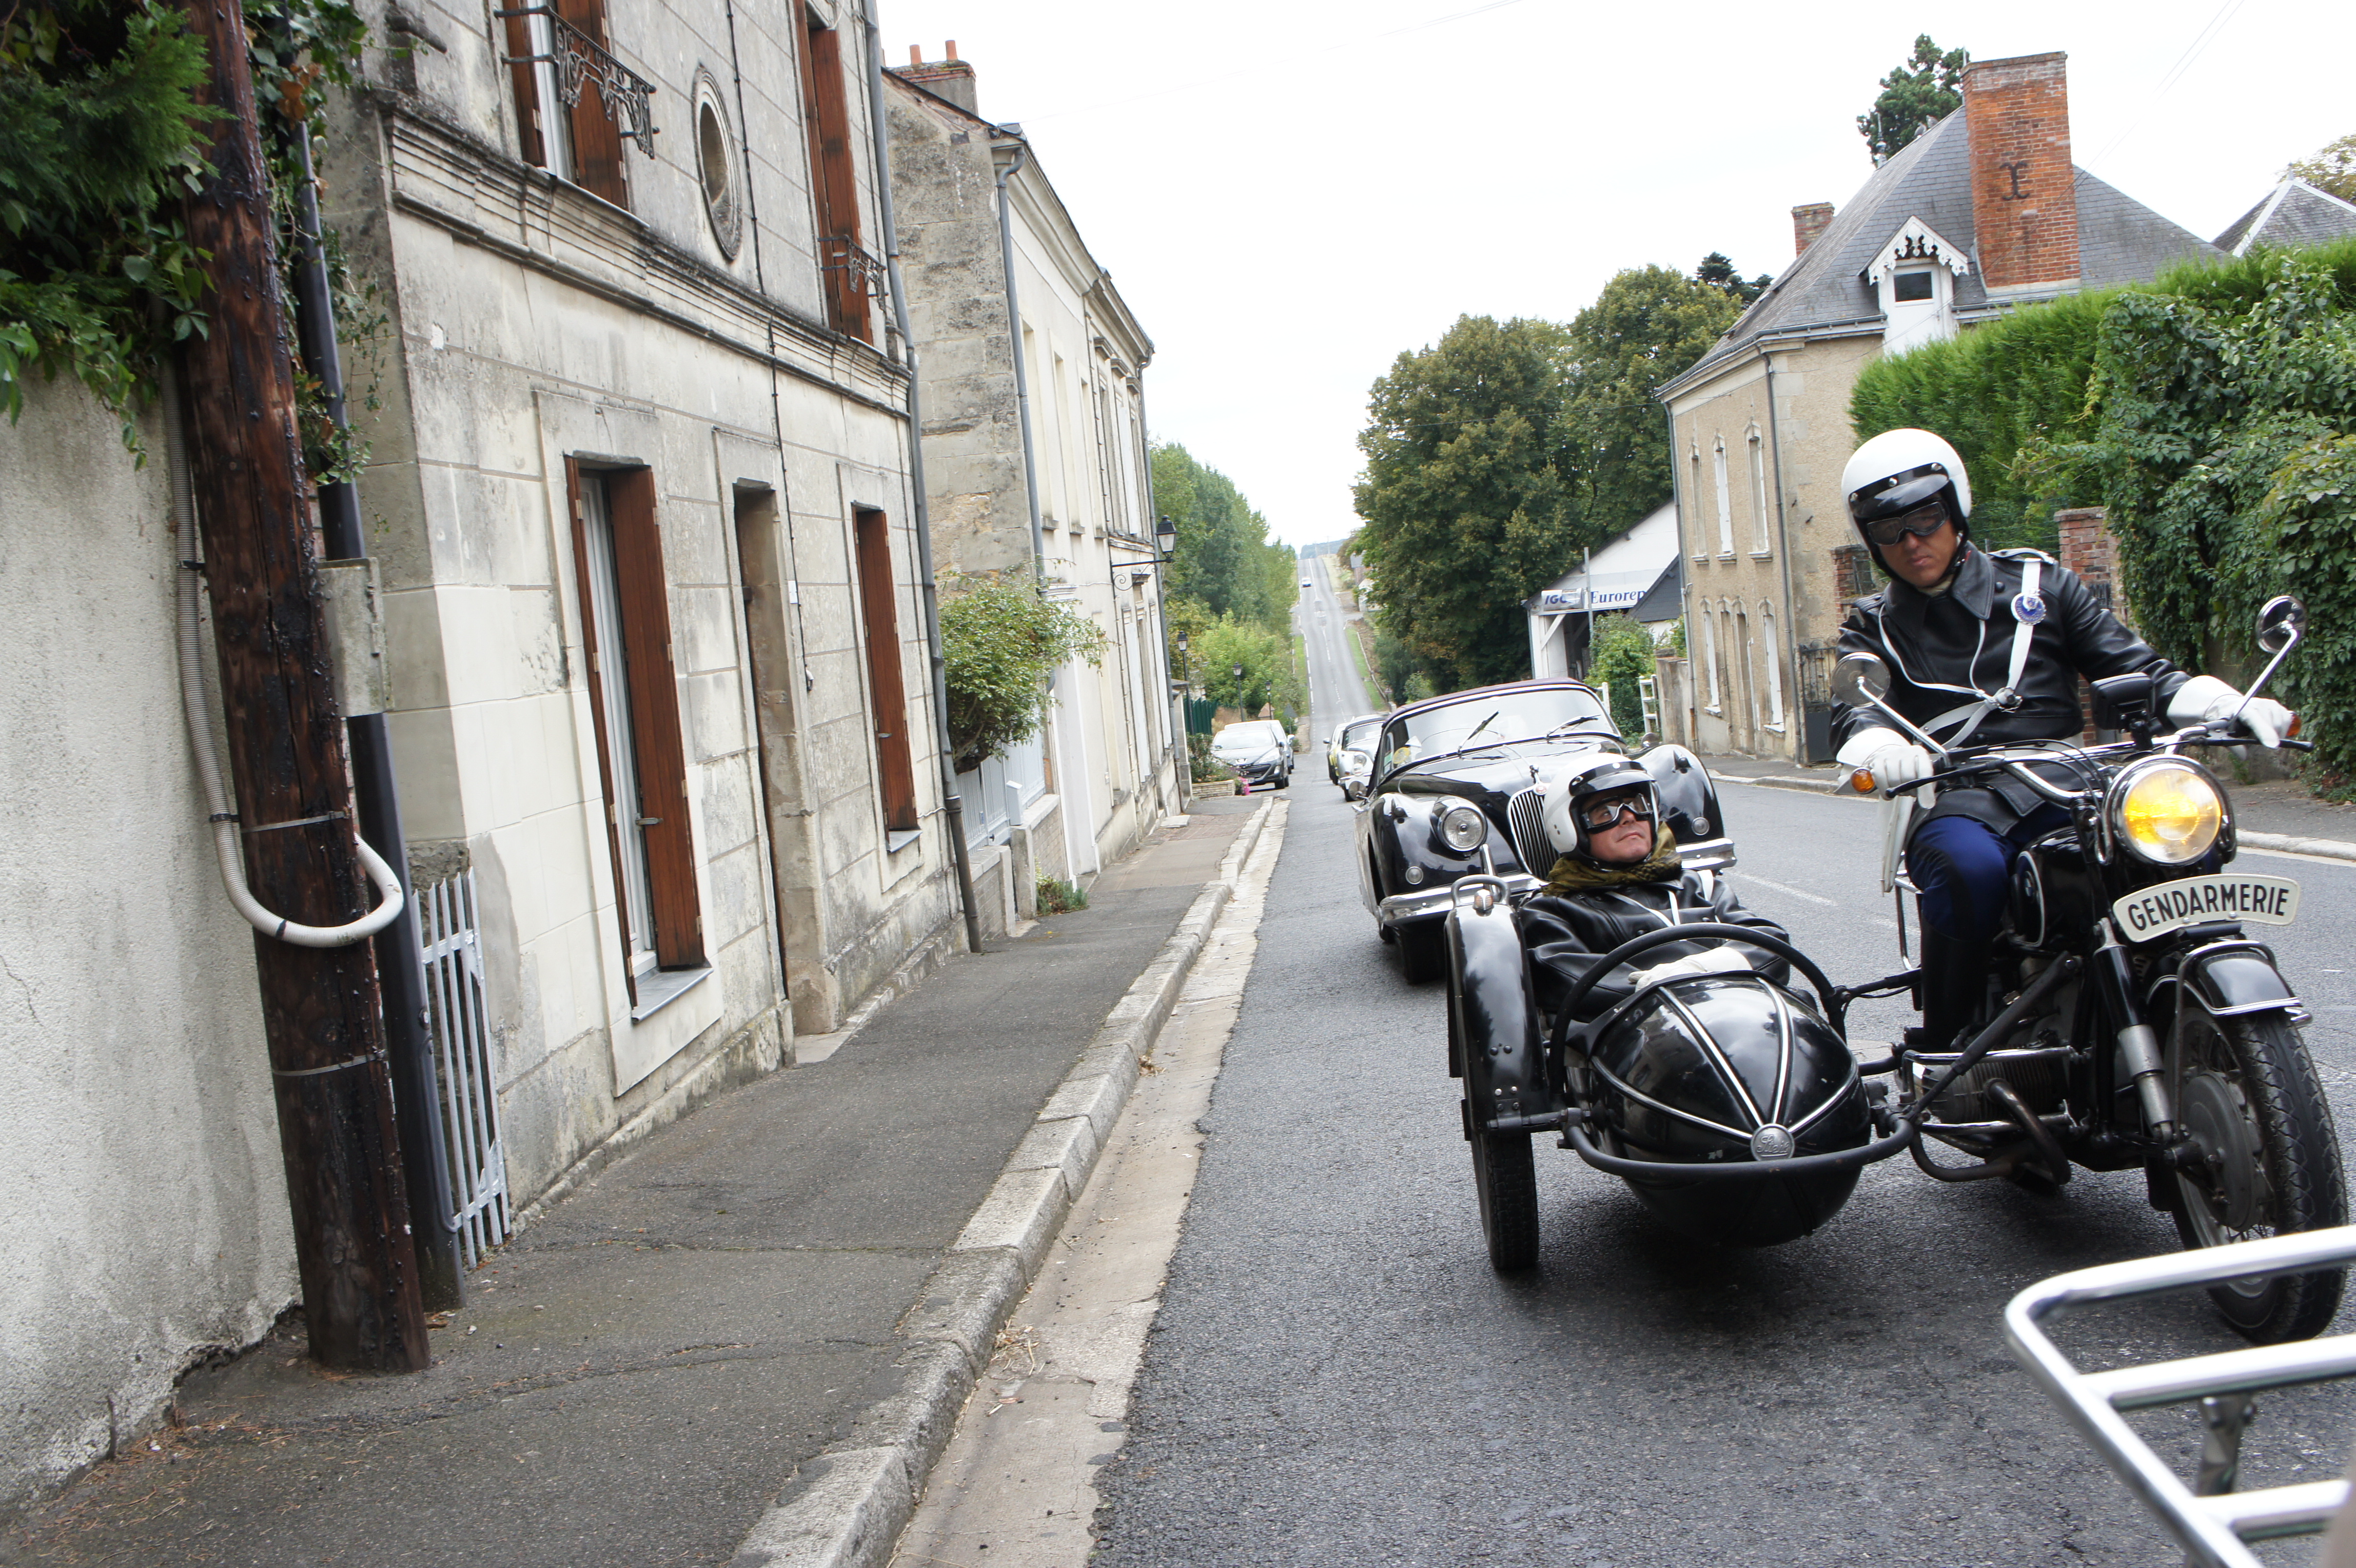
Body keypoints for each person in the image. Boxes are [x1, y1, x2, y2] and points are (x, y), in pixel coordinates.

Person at [1828, 427, 2296, 1050]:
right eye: (1889, 529)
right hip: (1962, 794)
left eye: (1925, 518)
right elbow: (1854, 711)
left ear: (1955, 508)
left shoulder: (2039, 587)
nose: (1912, 541)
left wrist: (2224, 703)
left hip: (2073, 780)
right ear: (1870, 539)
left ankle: (2186, 992)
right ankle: (1947, 1039)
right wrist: (1880, 748)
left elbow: (2137, 669)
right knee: (1968, 869)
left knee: (2174, 831)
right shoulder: (1873, 625)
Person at [1518, 754, 1789, 1022]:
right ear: (1570, 828)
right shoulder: (1551, 909)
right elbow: (1565, 979)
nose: (1629, 818)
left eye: (1638, 805)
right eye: (1606, 812)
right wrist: (1656, 989)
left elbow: (1770, 942)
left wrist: (1700, 968)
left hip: (1744, 1015)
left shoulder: (1699, 885)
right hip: (1649, 1035)